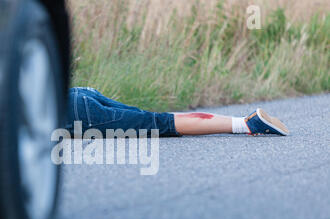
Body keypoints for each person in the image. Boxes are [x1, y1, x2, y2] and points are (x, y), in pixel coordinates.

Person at [66, 87, 289, 137]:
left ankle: (247, 124)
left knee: (159, 124)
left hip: (76, 113)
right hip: (76, 94)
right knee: (149, 119)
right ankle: (245, 122)